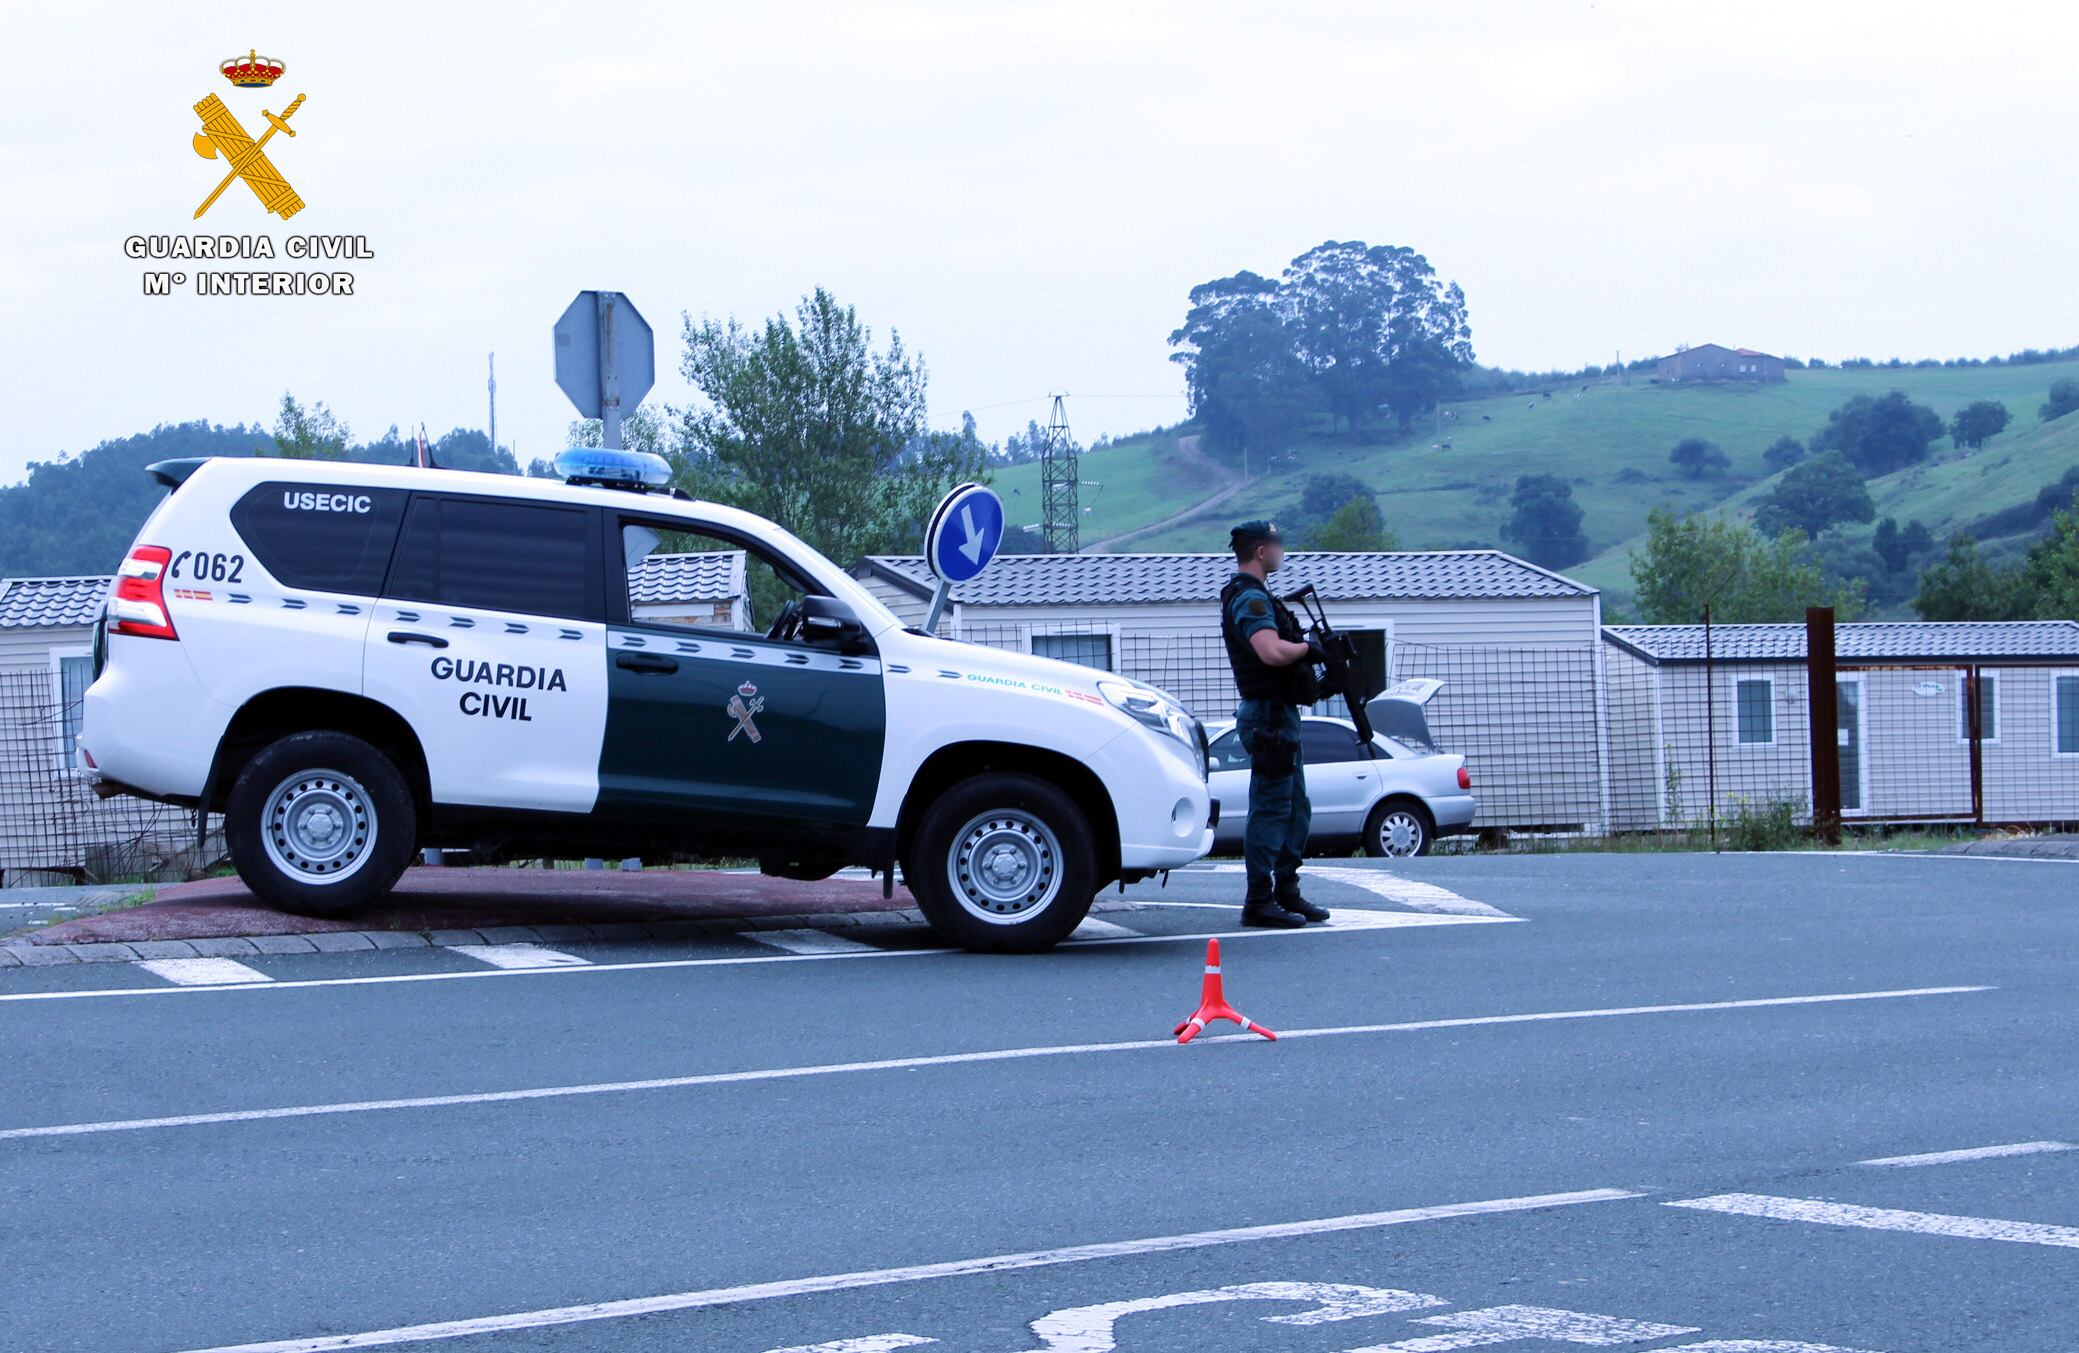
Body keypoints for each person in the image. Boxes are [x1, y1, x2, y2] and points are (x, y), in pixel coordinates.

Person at [1219, 520, 1330, 928]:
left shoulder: (1261, 596)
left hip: (1281, 714)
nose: (1282, 551)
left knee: (1295, 808)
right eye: (1277, 545)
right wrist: (1307, 649)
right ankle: (1258, 900)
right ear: (1261, 551)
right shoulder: (1250, 599)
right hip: (1268, 717)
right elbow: (1269, 651)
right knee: (1271, 808)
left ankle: (1287, 891)